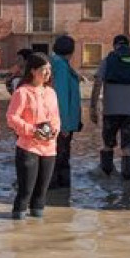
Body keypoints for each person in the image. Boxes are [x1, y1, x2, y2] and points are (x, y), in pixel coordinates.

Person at [6, 52, 61, 219]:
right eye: (44, 70)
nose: (47, 73)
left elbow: (56, 117)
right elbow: (11, 118)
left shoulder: (51, 92)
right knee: (25, 192)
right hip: (28, 147)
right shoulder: (22, 92)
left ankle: (38, 234)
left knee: (41, 194)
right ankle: (17, 230)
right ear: (33, 71)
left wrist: (54, 131)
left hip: (49, 148)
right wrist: (31, 130)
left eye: (49, 70)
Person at [90, 35, 130, 180]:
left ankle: (106, 176)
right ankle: (127, 182)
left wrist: (93, 107)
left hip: (111, 111)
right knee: (127, 148)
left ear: (114, 45)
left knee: (107, 144)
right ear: (129, 46)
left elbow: (97, 84)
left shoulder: (108, 60)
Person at [49, 35, 82, 188]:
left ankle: (60, 195)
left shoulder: (58, 63)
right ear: (72, 50)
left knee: (58, 157)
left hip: (60, 121)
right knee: (60, 158)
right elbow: (60, 96)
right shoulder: (60, 66)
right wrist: (64, 126)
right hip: (62, 123)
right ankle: (59, 197)